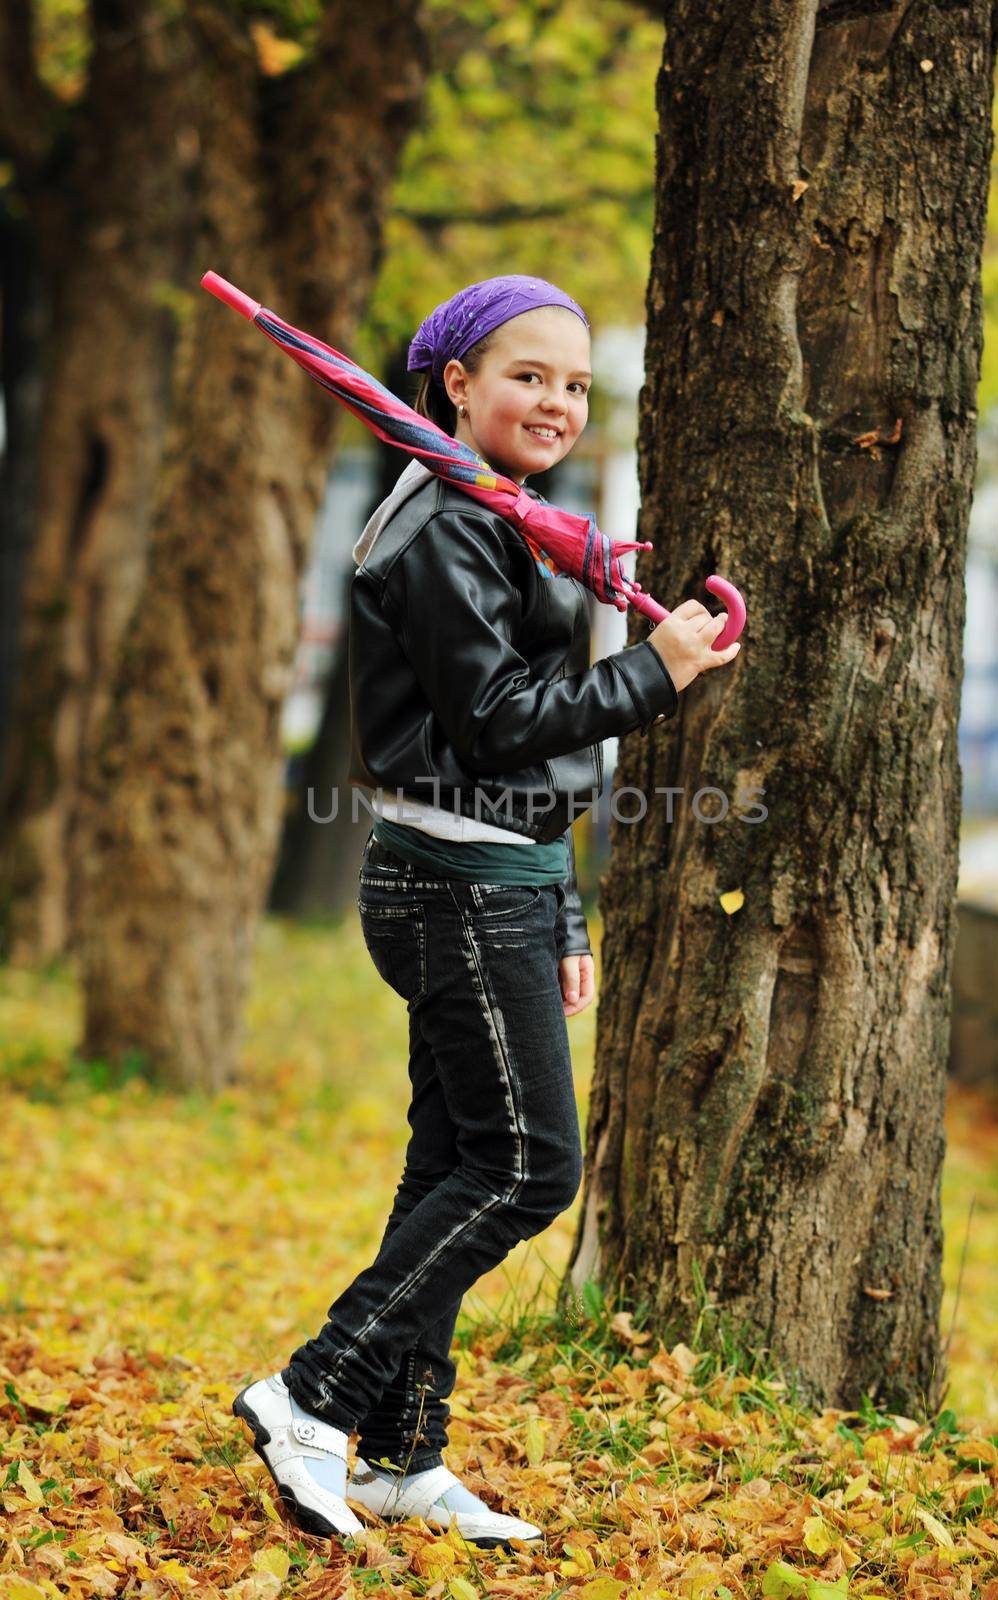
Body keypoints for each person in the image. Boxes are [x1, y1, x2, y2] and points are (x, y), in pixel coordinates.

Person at [232, 275, 741, 1549]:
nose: (556, 401)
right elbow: (501, 722)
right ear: (454, 383)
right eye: (527, 374)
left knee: (447, 1164)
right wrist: (656, 672)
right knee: (524, 1168)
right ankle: (311, 1391)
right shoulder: (446, 526)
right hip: (452, 886)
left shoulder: (504, 517)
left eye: (574, 382)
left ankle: (403, 1458)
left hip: (497, 877)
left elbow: (520, 764)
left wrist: (564, 907)